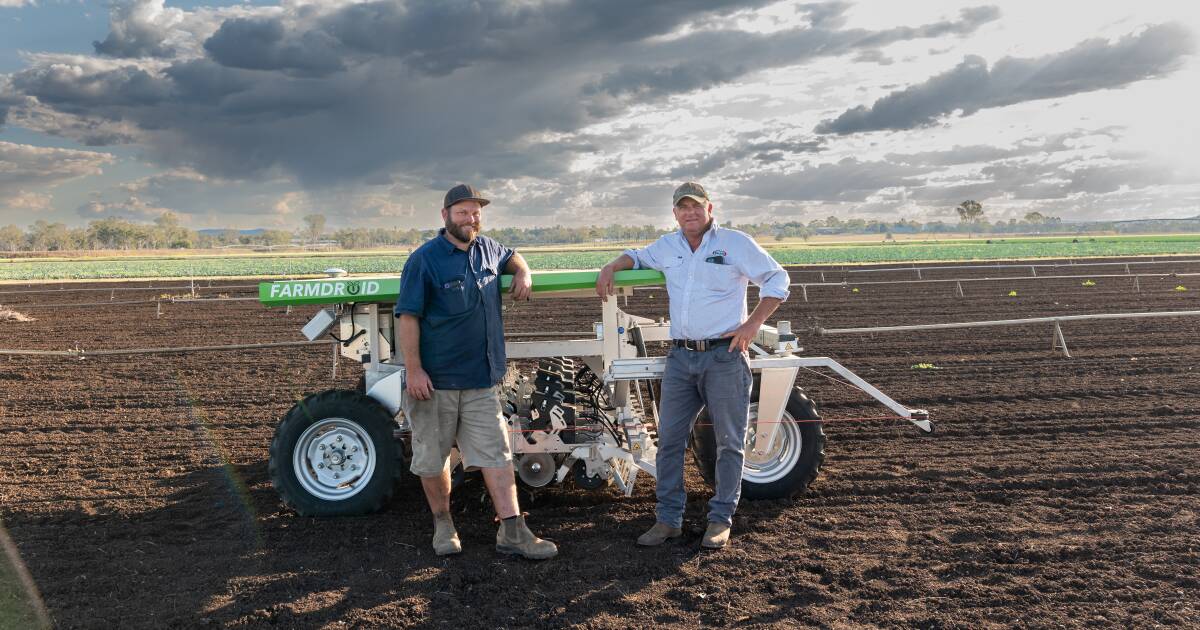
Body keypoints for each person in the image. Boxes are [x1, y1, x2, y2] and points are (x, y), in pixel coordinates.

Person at [595, 182, 790, 549]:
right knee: (669, 441)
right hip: (681, 358)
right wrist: (611, 265)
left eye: (696, 207)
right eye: (683, 208)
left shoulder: (734, 243)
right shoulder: (668, 247)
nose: (690, 213)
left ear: (709, 209)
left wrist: (751, 325)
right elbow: (636, 256)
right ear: (674, 213)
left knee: (729, 442)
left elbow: (778, 279)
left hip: (724, 356)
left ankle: (720, 520)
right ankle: (668, 520)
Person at [395, 183, 557, 560]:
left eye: (476, 212)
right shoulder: (425, 260)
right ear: (445, 216)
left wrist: (524, 272)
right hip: (435, 383)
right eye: (463, 212)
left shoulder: (488, 249)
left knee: (497, 455)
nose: (472, 218)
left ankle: (513, 532)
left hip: (482, 381)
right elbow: (408, 317)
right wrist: (414, 371)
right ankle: (443, 524)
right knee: (433, 459)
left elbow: (513, 256)